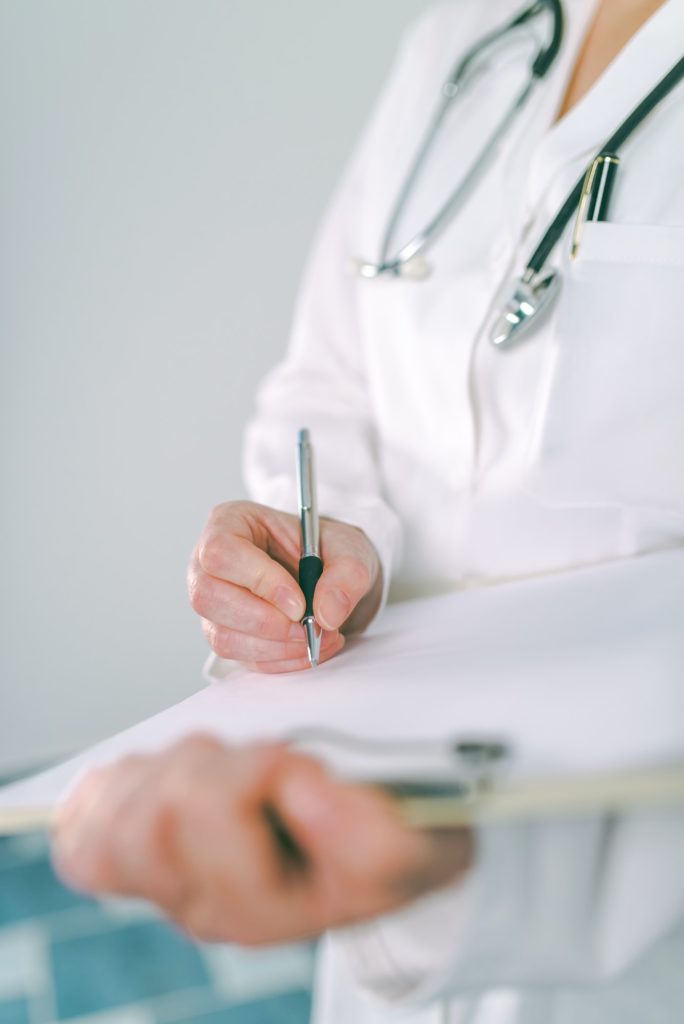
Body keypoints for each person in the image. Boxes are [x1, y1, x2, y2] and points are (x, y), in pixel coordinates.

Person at [53, 1, 684, 1021]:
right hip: (371, 906)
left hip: (633, 947)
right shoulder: (468, 34)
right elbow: (327, 384)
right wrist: (323, 534)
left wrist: (461, 872)